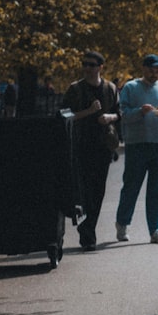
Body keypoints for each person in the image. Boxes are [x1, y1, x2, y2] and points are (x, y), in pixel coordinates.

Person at [114, 54, 158, 245]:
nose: (154, 73)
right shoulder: (131, 87)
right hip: (137, 145)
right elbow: (123, 115)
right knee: (131, 186)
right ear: (143, 69)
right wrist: (139, 112)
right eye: (151, 70)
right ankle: (122, 223)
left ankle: (156, 230)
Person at [63, 50, 120, 251]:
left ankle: (90, 229)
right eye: (84, 64)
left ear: (100, 67)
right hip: (80, 146)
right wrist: (88, 112)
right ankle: (87, 236)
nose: (87, 68)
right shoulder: (75, 89)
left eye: (91, 65)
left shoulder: (110, 88)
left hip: (103, 146)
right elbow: (64, 116)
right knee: (83, 191)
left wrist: (109, 118)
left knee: (97, 191)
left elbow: (119, 114)